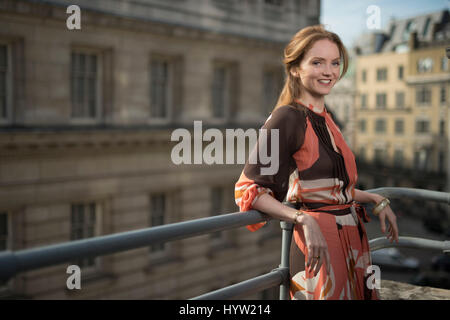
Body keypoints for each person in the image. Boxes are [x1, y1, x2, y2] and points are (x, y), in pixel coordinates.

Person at [234, 25, 399, 300]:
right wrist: (302, 218)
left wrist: (374, 198)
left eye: (335, 63)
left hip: (354, 244)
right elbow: (249, 190)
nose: (329, 71)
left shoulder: (327, 118)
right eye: (317, 62)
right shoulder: (286, 118)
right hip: (319, 247)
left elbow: (330, 188)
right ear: (296, 68)